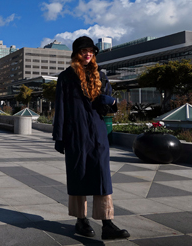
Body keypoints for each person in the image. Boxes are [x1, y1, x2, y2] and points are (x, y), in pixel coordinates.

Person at [53, 36, 130, 240]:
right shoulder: (66, 77)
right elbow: (60, 108)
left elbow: (109, 109)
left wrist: (111, 103)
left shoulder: (101, 76)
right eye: (83, 50)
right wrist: (59, 136)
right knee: (78, 174)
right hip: (76, 133)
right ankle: (81, 220)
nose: (88, 53)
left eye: (91, 50)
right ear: (76, 53)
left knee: (102, 176)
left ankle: (107, 223)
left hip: (97, 133)